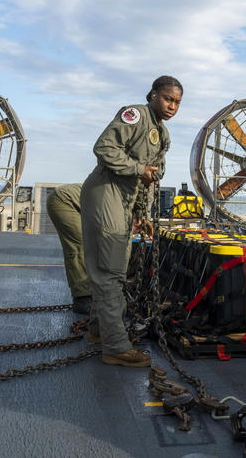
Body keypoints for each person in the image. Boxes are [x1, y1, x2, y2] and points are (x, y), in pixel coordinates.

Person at [81, 75, 182, 367]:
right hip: (106, 192)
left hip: (125, 201)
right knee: (109, 272)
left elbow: (148, 179)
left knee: (115, 269)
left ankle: (99, 331)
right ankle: (114, 347)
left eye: (177, 102)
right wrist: (138, 168)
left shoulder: (162, 135)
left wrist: (142, 214)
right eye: (167, 99)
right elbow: (104, 148)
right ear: (153, 95)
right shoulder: (135, 115)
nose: (172, 106)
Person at [46, 183, 92, 314]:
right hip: (63, 201)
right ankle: (82, 299)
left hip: (75, 202)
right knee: (80, 246)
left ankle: (90, 291)